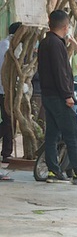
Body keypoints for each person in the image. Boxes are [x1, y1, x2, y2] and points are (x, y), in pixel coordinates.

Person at [37, 10, 77, 185]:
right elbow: (60, 73)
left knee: (52, 134)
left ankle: (53, 170)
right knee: (72, 134)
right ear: (65, 27)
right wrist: (67, 95)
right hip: (58, 97)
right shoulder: (56, 44)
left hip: (48, 96)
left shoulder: (44, 43)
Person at [0, 22, 21, 163]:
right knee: (8, 121)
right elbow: (6, 68)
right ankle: (6, 152)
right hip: (3, 88)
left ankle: (7, 152)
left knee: (9, 121)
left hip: (8, 88)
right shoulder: (6, 46)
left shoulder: (15, 47)